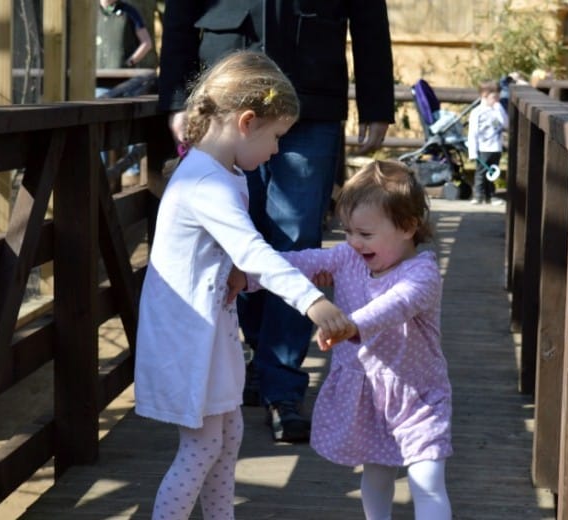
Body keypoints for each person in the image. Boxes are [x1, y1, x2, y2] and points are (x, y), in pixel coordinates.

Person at [157, 0, 396, 443]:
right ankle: (255, 359)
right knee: (233, 239)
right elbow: (179, 10)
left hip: (311, 91)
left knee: (294, 241)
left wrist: (376, 98)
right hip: (226, 89)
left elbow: (367, 11)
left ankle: (282, 386)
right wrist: (177, 96)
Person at [133, 50, 355, 520]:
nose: (276, 151)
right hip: (187, 335)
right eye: (276, 137)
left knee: (227, 436)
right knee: (201, 446)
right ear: (247, 122)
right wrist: (312, 301)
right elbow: (252, 249)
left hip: (210, 327)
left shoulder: (223, 173)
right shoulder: (206, 184)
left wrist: (238, 273)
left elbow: (229, 257)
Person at [245, 159, 453, 519]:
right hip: (369, 395)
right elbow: (303, 262)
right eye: (348, 232)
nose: (354, 242)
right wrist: (250, 273)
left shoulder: (423, 275)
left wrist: (348, 325)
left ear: (408, 227)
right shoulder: (349, 258)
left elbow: (394, 305)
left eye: (366, 234)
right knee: (375, 472)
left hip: (416, 397)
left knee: (427, 479)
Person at [96, 0, 154, 183]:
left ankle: (132, 172)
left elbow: (146, 43)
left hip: (126, 79)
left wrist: (130, 61)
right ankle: (101, 173)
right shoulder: (91, 14)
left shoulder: (129, 11)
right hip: (99, 79)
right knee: (98, 124)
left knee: (129, 122)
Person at [467, 79, 508, 205]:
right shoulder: (477, 112)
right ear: (484, 95)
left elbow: (506, 124)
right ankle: (478, 195)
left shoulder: (498, 109)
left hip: (496, 148)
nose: (497, 99)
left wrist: (499, 109)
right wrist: (472, 152)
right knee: (481, 173)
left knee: (493, 173)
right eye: (494, 96)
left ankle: (491, 196)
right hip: (483, 148)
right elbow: (472, 133)